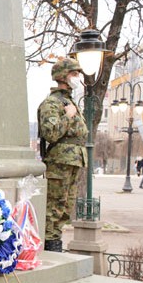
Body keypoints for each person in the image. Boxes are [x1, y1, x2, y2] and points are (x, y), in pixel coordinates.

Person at [37, 57, 87, 253]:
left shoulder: (69, 101)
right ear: (62, 76)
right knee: (54, 208)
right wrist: (68, 116)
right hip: (60, 162)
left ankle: (55, 243)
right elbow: (51, 133)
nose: (77, 78)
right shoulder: (52, 103)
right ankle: (50, 248)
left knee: (66, 208)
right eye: (74, 74)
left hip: (73, 160)